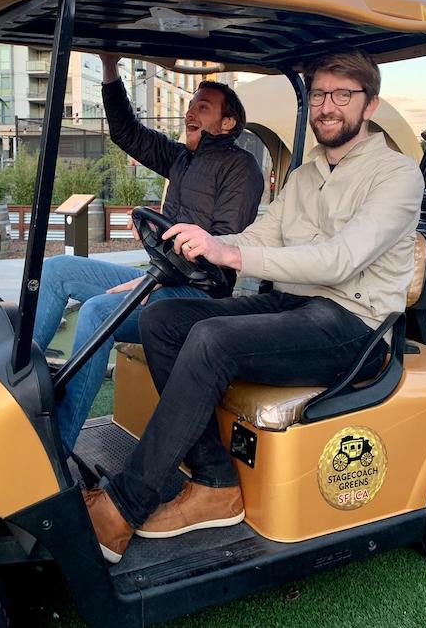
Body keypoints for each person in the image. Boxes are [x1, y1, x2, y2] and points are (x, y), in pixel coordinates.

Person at [82, 48, 425, 563]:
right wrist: (198, 245)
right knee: (163, 320)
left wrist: (230, 252)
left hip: (355, 327)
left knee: (213, 339)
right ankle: (216, 484)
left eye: (342, 95)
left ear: (369, 106)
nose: (328, 106)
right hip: (294, 307)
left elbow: (340, 260)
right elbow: (262, 233)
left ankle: (125, 507)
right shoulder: (308, 173)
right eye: (321, 94)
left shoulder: (396, 176)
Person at [34, 55, 264, 454]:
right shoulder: (181, 159)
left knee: (95, 313)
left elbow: (224, 245)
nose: (191, 111)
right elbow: (127, 133)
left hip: (199, 296)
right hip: (160, 278)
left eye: (203, 107)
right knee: (57, 269)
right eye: (192, 104)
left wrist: (148, 284)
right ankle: (21, 387)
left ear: (227, 124)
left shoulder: (241, 169)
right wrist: (109, 70)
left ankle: (55, 451)